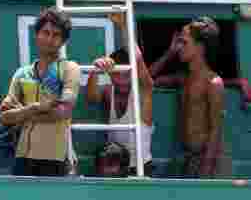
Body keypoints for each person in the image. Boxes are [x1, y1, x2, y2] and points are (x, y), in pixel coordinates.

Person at [0, 7, 81, 177]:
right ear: (37, 35)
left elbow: (63, 112)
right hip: (22, 158)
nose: (50, 39)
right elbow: (5, 117)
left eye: (56, 35)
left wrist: (22, 114)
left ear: (63, 41)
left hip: (56, 158)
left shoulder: (69, 69)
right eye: (46, 32)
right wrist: (33, 108)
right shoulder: (22, 73)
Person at [149, 17, 229, 178]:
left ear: (200, 47)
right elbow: (147, 80)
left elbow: (215, 131)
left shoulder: (213, 83)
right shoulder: (183, 79)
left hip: (207, 161)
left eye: (184, 43)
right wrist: (169, 53)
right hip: (189, 158)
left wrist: (206, 171)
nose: (179, 48)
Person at [85, 13, 155, 176]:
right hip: (114, 168)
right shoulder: (109, 92)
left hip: (141, 168)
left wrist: (124, 26)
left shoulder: (142, 93)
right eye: (117, 73)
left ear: (133, 73)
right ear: (109, 74)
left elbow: (137, 58)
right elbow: (91, 97)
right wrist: (96, 69)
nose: (122, 77)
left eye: (126, 72)